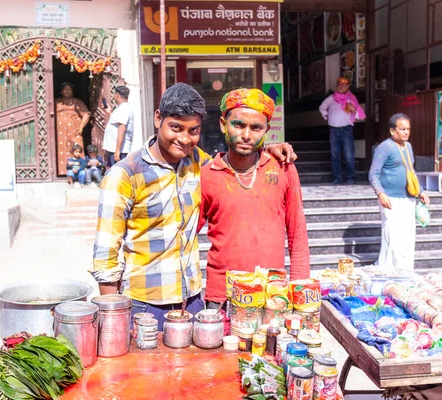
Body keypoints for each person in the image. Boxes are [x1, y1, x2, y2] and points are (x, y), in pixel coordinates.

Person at [91, 83, 296, 331]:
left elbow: (236, 163)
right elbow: (106, 256)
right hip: (144, 305)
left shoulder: (199, 163)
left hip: (193, 302)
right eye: (175, 128)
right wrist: (112, 319)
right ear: (158, 119)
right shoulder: (125, 174)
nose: (184, 139)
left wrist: (267, 151)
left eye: (193, 130)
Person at [198, 88, 310, 308]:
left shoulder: (283, 168)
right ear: (223, 124)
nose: (246, 135)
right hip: (222, 297)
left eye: (256, 127)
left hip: (272, 294)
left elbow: (297, 233)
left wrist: (299, 289)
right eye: (238, 125)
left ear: (266, 130)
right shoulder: (207, 175)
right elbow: (186, 236)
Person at [368, 113, 430, 271]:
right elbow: (373, 174)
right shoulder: (384, 147)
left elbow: (411, 171)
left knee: (407, 237)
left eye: (408, 129)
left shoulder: (408, 146)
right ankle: (390, 270)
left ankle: (404, 270)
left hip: (408, 198)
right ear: (392, 131)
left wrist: (420, 191)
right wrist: (381, 194)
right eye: (402, 129)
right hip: (391, 199)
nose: (406, 132)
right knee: (393, 237)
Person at [319, 77, 365, 184]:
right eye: (339, 84)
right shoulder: (331, 98)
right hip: (334, 129)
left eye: (344, 84)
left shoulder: (351, 98)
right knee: (335, 155)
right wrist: (326, 117)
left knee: (349, 154)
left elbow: (358, 112)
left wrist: (353, 109)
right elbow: (322, 107)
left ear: (348, 87)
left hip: (346, 129)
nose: (341, 86)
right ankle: (337, 178)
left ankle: (351, 178)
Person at [55, 82, 90, 176]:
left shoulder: (77, 102)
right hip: (60, 133)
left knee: (75, 149)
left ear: (72, 92)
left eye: (69, 89)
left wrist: (81, 127)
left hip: (74, 131)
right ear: (61, 91)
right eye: (65, 89)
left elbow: (86, 114)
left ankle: (79, 173)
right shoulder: (56, 102)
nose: (67, 91)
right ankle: (62, 171)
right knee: (60, 149)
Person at [103, 86, 134, 168]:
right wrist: (110, 113)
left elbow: (122, 130)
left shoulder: (124, 109)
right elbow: (116, 124)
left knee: (117, 173)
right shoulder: (121, 109)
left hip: (118, 149)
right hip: (113, 148)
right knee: (110, 171)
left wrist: (117, 151)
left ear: (117, 95)